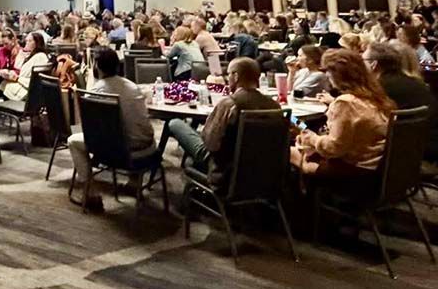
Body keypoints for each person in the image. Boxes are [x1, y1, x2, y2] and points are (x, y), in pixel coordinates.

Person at [168, 57, 280, 186]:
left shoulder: (229, 104)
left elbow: (210, 144)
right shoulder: (275, 106)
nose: (227, 78)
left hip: (225, 174)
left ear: (236, 76)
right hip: (264, 175)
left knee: (175, 123)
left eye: (228, 74)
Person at [67, 48, 155, 211]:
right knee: (134, 128)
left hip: (121, 153)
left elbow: (90, 130)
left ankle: (91, 194)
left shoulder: (97, 91)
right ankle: (134, 183)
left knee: (73, 141)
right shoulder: (132, 86)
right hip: (148, 149)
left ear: (97, 67)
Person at [291, 49, 393, 177]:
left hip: (353, 170)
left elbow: (333, 148)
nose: (327, 75)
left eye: (328, 71)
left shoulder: (346, 103)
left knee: (288, 151)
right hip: (374, 166)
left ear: (337, 75)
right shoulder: (376, 97)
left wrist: (312, 139)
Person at [364, 42, 438, 161]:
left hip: (412, 151)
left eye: (363, 60)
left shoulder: (382, 86)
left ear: (374, 64)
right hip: (425, 143)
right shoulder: (411, 81)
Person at [0, 32, 50, 101]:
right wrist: (21, 55)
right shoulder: (30, 55)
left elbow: (36, 81)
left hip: (27, 91)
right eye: (26, 41)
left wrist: (17, 78)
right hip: (22, 85)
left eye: (30, 41)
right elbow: (18, 67)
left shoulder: (41, 57)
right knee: (1, 82)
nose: (27, 43)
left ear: (37, 43)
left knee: (0, 85)